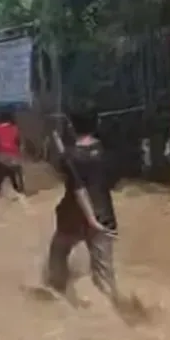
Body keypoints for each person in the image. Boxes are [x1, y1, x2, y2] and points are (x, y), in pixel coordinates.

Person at [47, 106, 120, 301]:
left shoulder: (69, 156)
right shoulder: (106, 152)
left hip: (72, 215)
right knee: (104, 273)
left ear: (71, 126)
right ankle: (114, 310)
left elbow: (74, 184)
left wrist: (62, 150)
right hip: (103, 213)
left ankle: (59, 297)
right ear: (96, 124)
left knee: (57, 256)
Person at [0, 110, 25, 197]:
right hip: (14, 157)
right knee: (16, 175)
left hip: (2, 157)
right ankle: (19, 189)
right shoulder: (15, 128)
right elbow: (19, 142)